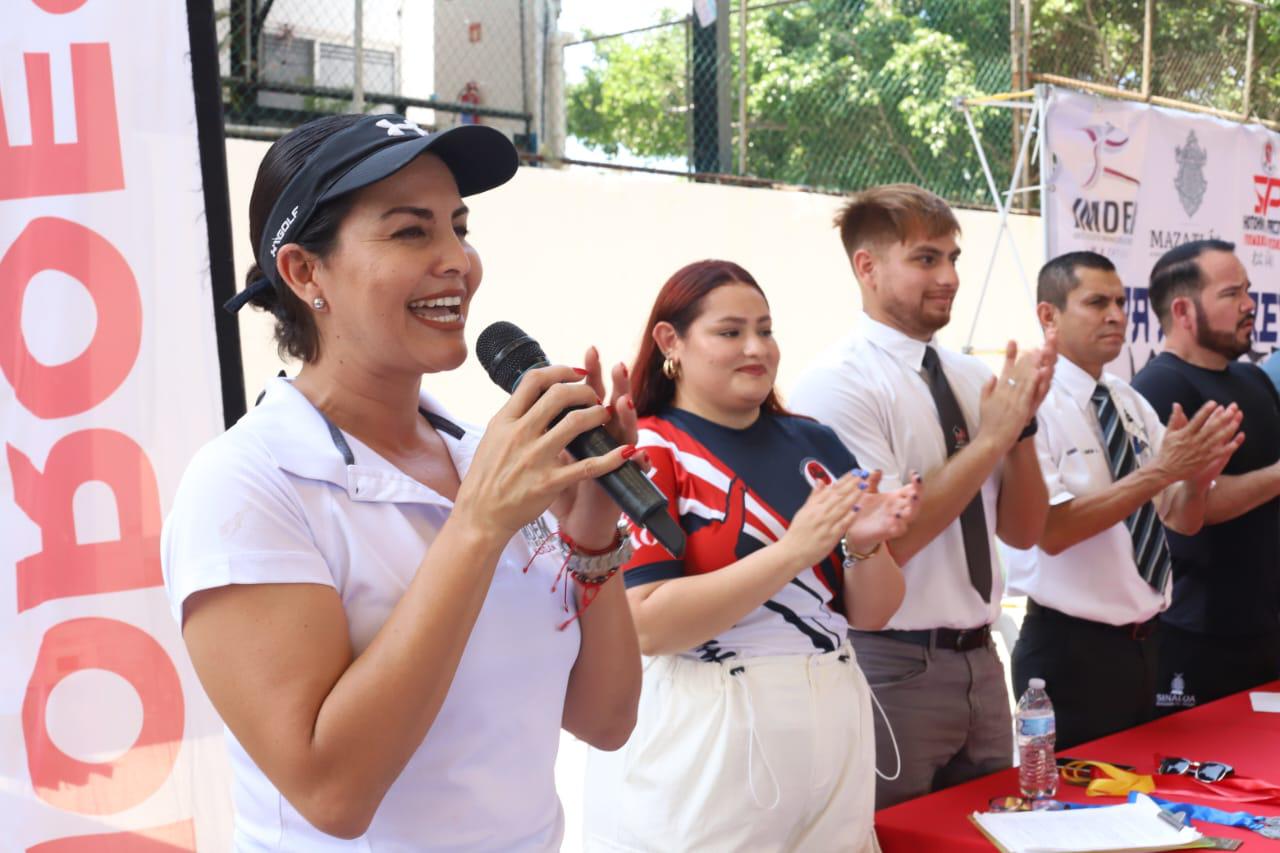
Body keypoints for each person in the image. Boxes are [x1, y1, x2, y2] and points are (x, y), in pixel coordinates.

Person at [161, 113, 643, 850]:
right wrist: (478, 525)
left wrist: (591, 532)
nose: (459, 260)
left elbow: (605, 720)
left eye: (459, 225)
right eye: (411, 231)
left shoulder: (487, 458)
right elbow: (333, 790)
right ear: (303, 272)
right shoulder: (245, 485)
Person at [584, 260, 921, 852]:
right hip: (711, 726)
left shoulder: (815, 442)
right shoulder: (650, 449)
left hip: (835, 705)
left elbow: (873, 614)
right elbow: (649, 624)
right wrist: (793, 551)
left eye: (765, 330)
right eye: (730, 332)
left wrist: (864, 546)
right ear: (671, 342)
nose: (757, 348)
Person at [789, 183, 1053, 808]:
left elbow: (1022, 532)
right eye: (926, 259)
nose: (950, 277)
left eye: (954, 258)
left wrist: (1021, 431)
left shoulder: (971, 375)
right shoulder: (837, 383)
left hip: (983, 660)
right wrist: (991, 441)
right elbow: (891, 541)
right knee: (894, 835)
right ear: (867, 267)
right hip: (893, 663)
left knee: (992, 834)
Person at [1007, 251, 1243, 749]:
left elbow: (1179, 521)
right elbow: (1054, 532)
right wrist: (1161, 471)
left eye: (1121, 301)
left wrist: (1196, 481)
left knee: (1143, 807)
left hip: (1148, 643)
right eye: (1097, 303)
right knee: (1075, 812)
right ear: (1048, 315)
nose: (1117, 315)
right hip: (1069, 649)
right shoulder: (1031, 402)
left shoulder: (1127, 399)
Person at [1131, 239, 1280, 712]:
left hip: (1264, 624)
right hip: (1197, 630)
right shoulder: (1159, 387)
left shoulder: (1253, 380)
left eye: (1249, 291)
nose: (1249, 305)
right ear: (1183, 309)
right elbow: (1198, 504)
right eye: (1232, 294)